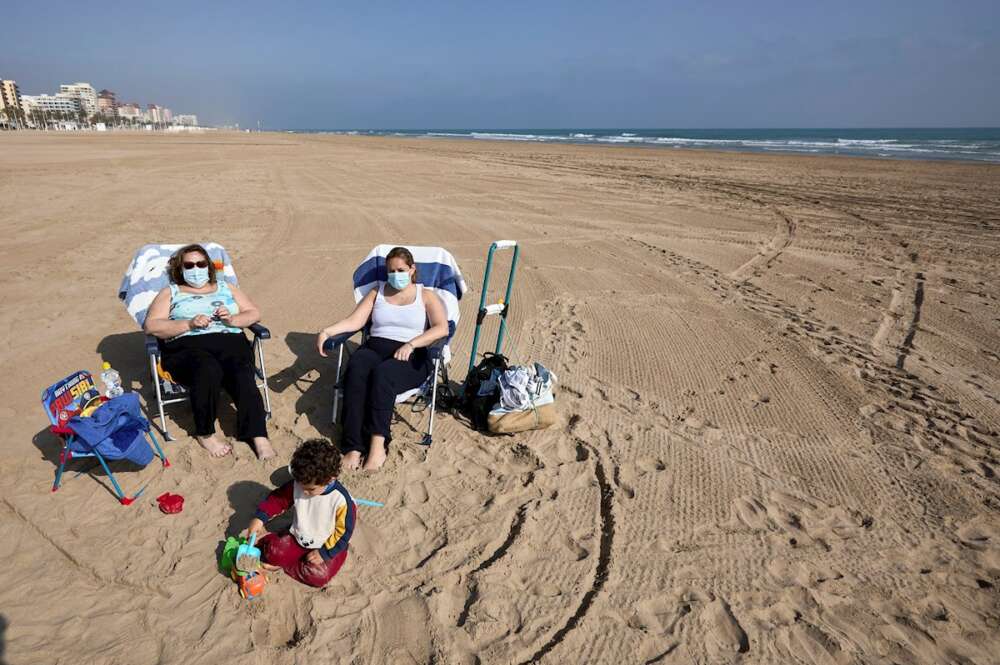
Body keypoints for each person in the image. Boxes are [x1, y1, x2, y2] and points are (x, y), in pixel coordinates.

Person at [317, 246, 448, 471]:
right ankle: (353, 446)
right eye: (391, 271)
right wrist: (327, 331)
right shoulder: (377, 292)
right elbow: (355, 321)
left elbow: (441, 328)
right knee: (357, 368)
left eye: (400, 270)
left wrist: (412, 343)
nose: (395, 275)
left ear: (412, 269)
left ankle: (378, 446)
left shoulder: (425, 295)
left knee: (383, 375)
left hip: (411, 353)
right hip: (375, 347)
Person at [143, 244, 275, 459]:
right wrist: (189, 323)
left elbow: (254, 313)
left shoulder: (226, 287)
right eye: (189, 264)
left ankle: (258, 435)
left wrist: (232, 319)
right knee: (207, 369)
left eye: (201, 263)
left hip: (229, 341)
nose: (196, 268)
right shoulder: (171, 292)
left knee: (242, 372)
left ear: (209, 266)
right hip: (187, 347)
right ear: (180, 269)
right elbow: (152, 325)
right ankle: (205, 433)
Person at [245, 438, 354, 588]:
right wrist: (260, 518)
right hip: (298, 538)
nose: (304, 492)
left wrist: (324, 553)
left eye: (310, 489)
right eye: (301, 486)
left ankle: (286, 565)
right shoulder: (301, 483)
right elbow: (278, 499)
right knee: (272, 551)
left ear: (330, 479)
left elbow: (343, 534)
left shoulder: (341, 501)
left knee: (319, 577)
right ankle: (283, 560)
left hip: (327, 545)